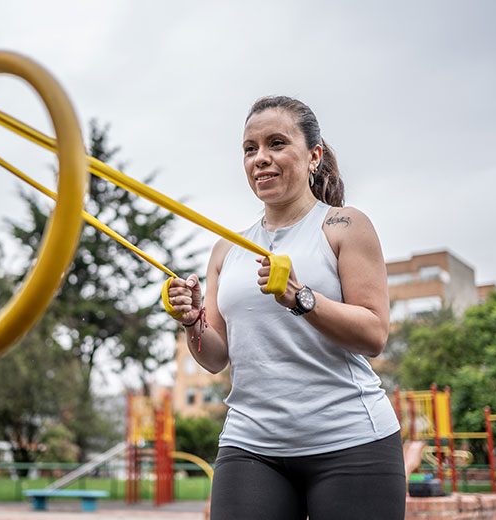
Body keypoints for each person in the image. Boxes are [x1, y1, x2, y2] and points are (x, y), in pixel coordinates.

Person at [166, 96, 405, 519]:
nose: (261, 158)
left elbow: (374, 335)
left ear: (314, 156)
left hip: (351, 441)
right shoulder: (227, 249)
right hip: (251, 445)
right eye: (250, 149)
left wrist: (302, 298)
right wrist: (192, 321)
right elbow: (217, 358)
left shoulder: (343, 226)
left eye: (276, 143)